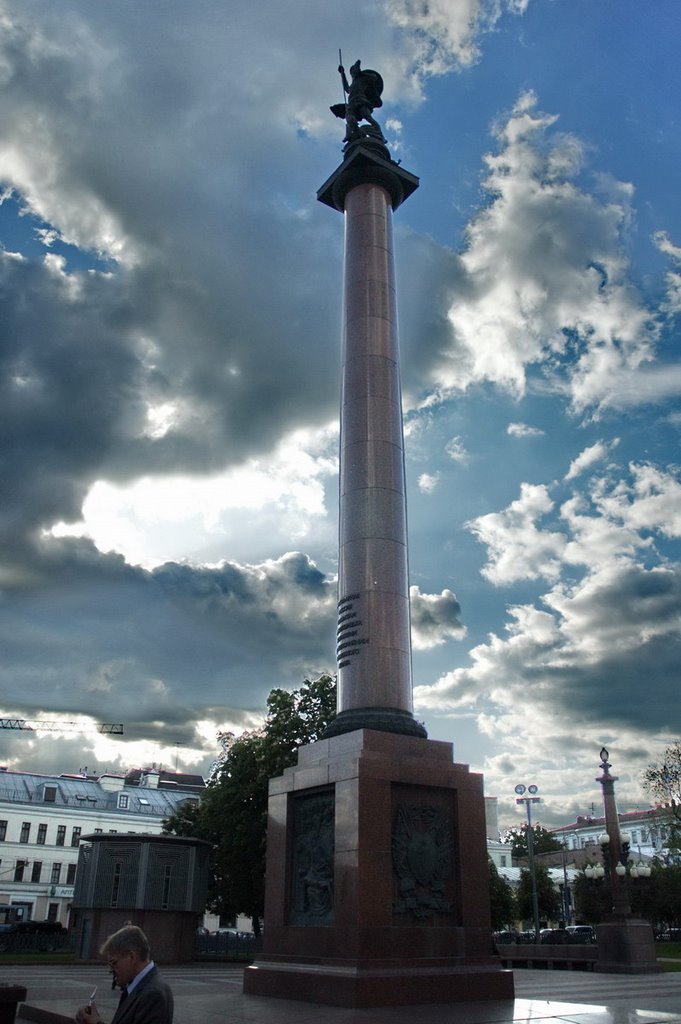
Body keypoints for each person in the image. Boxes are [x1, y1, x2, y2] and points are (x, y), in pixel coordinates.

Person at [75, 925, 173, 1024]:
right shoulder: (141, 986)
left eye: (114, 963)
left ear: (132, 957)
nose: (111, 971)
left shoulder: (153, 994)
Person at [331, 59, 386, 143]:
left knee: (368, 117)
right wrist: (342, 73)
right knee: (349, 118)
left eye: (353, 71)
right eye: (351, 72)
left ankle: (380, 135)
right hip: (351, 103)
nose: (352, 73)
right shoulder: (353, 84)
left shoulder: (363, 79)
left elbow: (374, 77)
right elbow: (346, 87)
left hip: (361, 100)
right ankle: (352, 134)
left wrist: (360, 73)